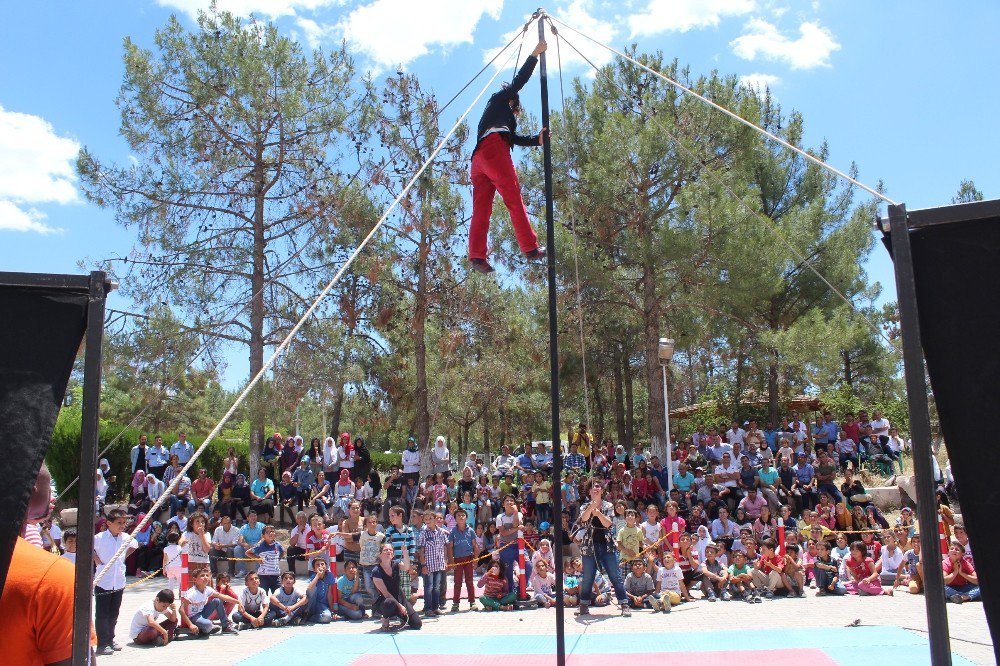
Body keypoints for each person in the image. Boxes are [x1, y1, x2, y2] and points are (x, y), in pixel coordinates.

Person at [467, 39, 549, 273]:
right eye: (515, 109)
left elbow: (513, 138)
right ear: (512, 102)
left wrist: (536, 140)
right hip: (493, 152)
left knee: (481, 210)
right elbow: (519, 81)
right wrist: (535, 54)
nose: (514, 114)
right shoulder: (501, 98)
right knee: (513, 198)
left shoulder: (494, 117)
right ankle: (530, 247)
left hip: (478, 160)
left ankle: (477, 257)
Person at [575, 481, 629, 616]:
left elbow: (608, 523)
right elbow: (584, 520)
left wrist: (598, 513)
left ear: (602, 490)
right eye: (592, 487)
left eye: (598, 486)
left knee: (615, 575)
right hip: (589, 546)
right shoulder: (584, 506)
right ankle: (584, 604)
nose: (595, 488)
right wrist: (590, 508)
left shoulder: (609, 505)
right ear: (588, 491)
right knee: (588, 576)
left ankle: (624, 603)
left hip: (607, 545)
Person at [93, 508, 139, 655]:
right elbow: (88, 548)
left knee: (114, 613)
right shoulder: (99, 538)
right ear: (109, 523)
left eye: (124, 523)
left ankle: (111, 639)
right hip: (103, 581)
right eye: (119, 523)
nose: (122, 525)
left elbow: (135, 546)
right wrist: (96, 559)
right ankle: (102, 643)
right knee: (102, 614)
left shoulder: (126, 538)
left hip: (118, 581)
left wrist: (123, 557)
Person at [372, 543, 422, 630]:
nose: (388, 551)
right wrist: (400, 606)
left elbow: (407, 567)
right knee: (389, 602)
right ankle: (385, 618)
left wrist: (405, 552)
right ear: (380, 554)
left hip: (400, 598)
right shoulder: (376, 571)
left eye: (390, 550)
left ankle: (402, 618)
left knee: (417, 624)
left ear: (393, 554)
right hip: (386, 602)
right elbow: (386, 594)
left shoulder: (397, 564)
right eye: (385, 550)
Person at [180, 568, 240, 636]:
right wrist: (190, 625)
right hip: (193, 617)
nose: (205, 577)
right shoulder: (192, 593)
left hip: (202, 613)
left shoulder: (207, 589)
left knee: (217, 600)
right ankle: (203, 629)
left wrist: (239, 602)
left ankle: (225, 626)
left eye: (207, 575)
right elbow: (181, 610)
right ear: (195, 579)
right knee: (208, 624)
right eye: (202, 575)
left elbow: (222, 596)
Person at [305, 558, 336, 624]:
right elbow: (309, 590)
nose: (320, 566)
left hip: (322, 605)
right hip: (312, 604)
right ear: (314, 569)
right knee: (313, 588)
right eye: (317, 565)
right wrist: (318, 575)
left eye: (322, 564)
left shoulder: (329, 575)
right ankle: (308, 613)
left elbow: (329, 594)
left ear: (326, 566)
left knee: (327, 617)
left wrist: (332, 610)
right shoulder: (313, 577)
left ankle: (310, 618)